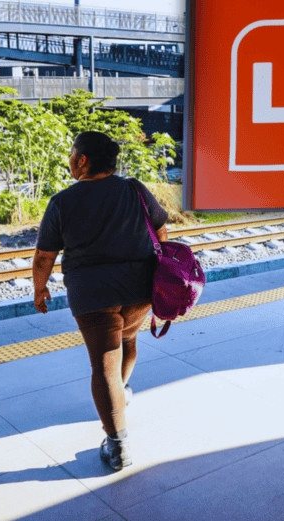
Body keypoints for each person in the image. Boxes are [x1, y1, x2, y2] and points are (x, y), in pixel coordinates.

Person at [31, 131, 169, 471]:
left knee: (104, 363)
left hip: (93, 294)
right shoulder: (135, 189)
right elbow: (161, 232)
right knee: (128, 340)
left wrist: (39, 288)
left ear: (82, 160)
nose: (69, 158)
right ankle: (118, 395)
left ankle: (118, 445)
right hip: (140, 290)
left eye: (71, 153)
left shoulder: (62, 201)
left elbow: (44, 256)